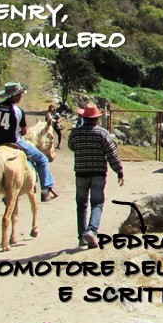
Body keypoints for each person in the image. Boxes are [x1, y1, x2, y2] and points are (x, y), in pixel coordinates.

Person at [0, 82, 58, 201]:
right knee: (42, 159)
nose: (21, 96)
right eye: (20, 94)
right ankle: (46, 189)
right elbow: (24, 132)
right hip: (15, 142)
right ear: (14, 96)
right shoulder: (17, 111)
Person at [67, 103, 124, 249]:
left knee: (81, 205)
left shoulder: (75, 133)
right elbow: (112, 154)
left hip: (80, 173)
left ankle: (81, 236)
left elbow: (71, 146)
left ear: (84, 117)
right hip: (98, 173)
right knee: (97, 203)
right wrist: (119, 171)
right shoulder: (102, 134)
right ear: (97, 119)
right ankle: (92, 231)